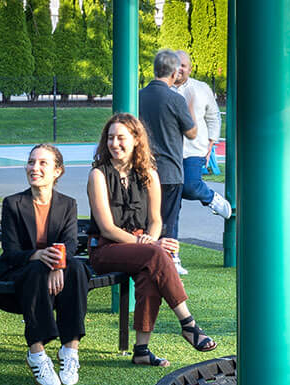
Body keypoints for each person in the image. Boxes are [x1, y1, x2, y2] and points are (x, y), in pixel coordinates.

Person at [86, 113, 217, 366]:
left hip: (141, 247)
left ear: (136, 140)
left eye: (121, 138)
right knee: (156, 255)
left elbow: (156, 220)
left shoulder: (148, 173)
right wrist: (151, 245)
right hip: (105, 249)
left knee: (150, 270)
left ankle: (142, 351)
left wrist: (151, 239)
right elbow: (107, 228)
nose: (115, 143)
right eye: (110, 138)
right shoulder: (98, 175)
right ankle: (188, 323)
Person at [0, 144, 88, 385]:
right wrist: (40, 256)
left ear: (58, 172)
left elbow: (71, 244)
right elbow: (11, 252)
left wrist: (56, 265)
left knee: (76, 267)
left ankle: (70, 350)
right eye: (32, 162)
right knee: (36, 270)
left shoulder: (68, 204)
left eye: (43, 163)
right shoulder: (13, 203)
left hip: (55, 269)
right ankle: (36, 352)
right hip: (20, 271)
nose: (35, 168)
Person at [137, 49, 199, 276]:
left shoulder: (138, 96)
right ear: (174, 73)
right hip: (170, 172)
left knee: (146, 219)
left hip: (142, 170)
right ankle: (170, 263)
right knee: (168, 220)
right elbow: (192, 133)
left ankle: (145, 260)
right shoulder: (176, 99)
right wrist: (190, 110)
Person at [174, 52, 235, 238]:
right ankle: (171, 251)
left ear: (190, 69)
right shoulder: (164, 89)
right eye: (176, 64)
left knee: (190, 186)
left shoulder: (201, 89)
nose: (179, 68)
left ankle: (211, 198)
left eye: (183, 65)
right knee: (171, 200)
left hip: (194, 149)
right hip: (169, 152)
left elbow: (213, 117)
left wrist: (211, 143)